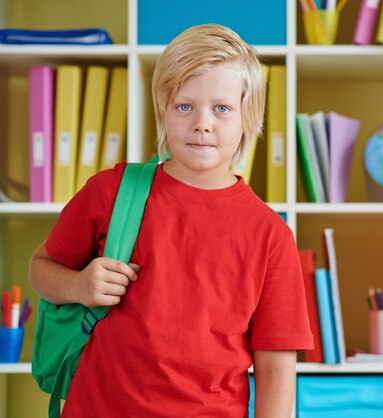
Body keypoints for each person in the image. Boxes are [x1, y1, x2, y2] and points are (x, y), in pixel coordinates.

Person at [29, 24, 313, 417]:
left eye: (222, 108)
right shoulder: (111, 192)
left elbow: (276, 367)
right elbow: (40, 269)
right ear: (163, 107)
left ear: (248, 117)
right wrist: (78, 284)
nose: (202, 123)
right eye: (184, 106)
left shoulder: (271, 235)